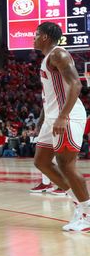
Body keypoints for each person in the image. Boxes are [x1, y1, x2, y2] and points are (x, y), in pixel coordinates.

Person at [31, 22, 90, 231]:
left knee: (67, 164)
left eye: (36, 34)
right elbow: (50, 95)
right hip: (52, 117)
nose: (33, 37)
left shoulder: (59, 55)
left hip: (67, 115)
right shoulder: (47, 58)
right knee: (42, 161)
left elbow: (76, 84)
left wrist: (63, 117)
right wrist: (41, 121)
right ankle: (79, 204)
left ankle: (88, 213)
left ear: (45, 37)